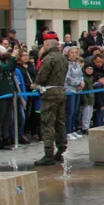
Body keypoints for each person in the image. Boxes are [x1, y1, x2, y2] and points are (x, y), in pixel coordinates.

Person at [34, 31, 69, 166]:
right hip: (60, 91)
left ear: (47, 44)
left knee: (47, 123)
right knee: (60, 123)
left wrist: (36, 83)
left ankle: (48, 153)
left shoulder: (48, 59)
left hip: (49, 93)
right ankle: (61, 149)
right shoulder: (63, 58)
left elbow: (41, 77)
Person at [64, 46, 85, 140]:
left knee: (75, 111)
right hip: (69, 89)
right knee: (70, 111)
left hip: (78, 90)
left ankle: (72, 130)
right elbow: (67, 78)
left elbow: (81, 75)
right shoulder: (67, 64)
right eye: (72, 52)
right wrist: (77, 83)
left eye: (75, 52)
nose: (74, 54)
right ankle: (67, 131)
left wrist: (82, 82)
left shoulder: (76, 64)